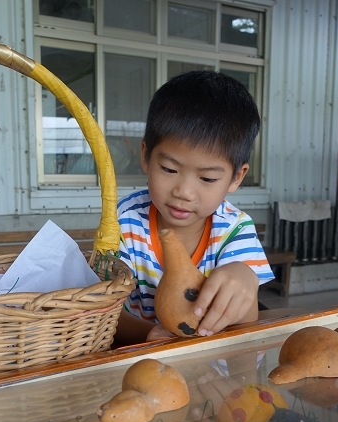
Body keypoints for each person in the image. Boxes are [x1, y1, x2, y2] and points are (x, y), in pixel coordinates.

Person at [114, 70, 274, 345]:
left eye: (207, 178)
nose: (184, 192)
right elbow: (104, 311)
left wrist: (245, 280)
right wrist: (148, 335)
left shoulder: (235, 229)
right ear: (145, 156)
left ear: (236, 177)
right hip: (140, 360)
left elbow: (247, 335)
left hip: (211, 369)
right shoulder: (126, 220)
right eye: (169, 169)